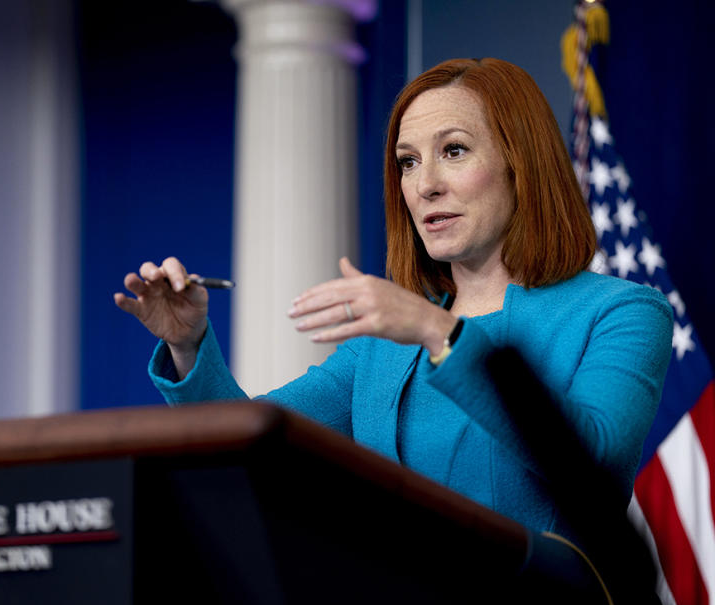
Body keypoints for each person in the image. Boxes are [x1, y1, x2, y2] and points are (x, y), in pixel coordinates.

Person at [114, 57, 672, 547]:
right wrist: (188, 346)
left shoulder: (620, 313)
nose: (424, 184)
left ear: (519, 165)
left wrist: (440, 332)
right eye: (408, 162)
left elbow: (595, 467)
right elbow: (255, 446)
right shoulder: (383, 348)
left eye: (453, 151)